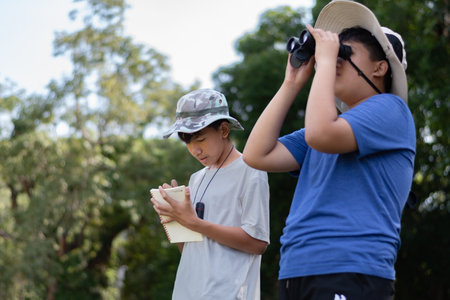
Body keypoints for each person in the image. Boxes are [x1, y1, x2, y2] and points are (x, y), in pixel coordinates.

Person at [242, 1, 415, 299]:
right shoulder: (329, 127)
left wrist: (323, 63)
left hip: (351, 268)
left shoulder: (391, 110)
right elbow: (256, 155)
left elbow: (321, 134)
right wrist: (290, 84)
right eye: (335, 52)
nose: (335, 60)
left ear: (380, 67)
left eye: (345, 53)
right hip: (297, 269)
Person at [151, 88, 270, 300]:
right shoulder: (197, 178)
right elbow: (191, 250)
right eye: (187, 141)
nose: (195, 149)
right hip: (188, 291)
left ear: (224, 130)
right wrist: (174, 220)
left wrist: (194, 223)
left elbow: (257, 242)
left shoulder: (251, 170)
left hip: (229, 293)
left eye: (200, 139)